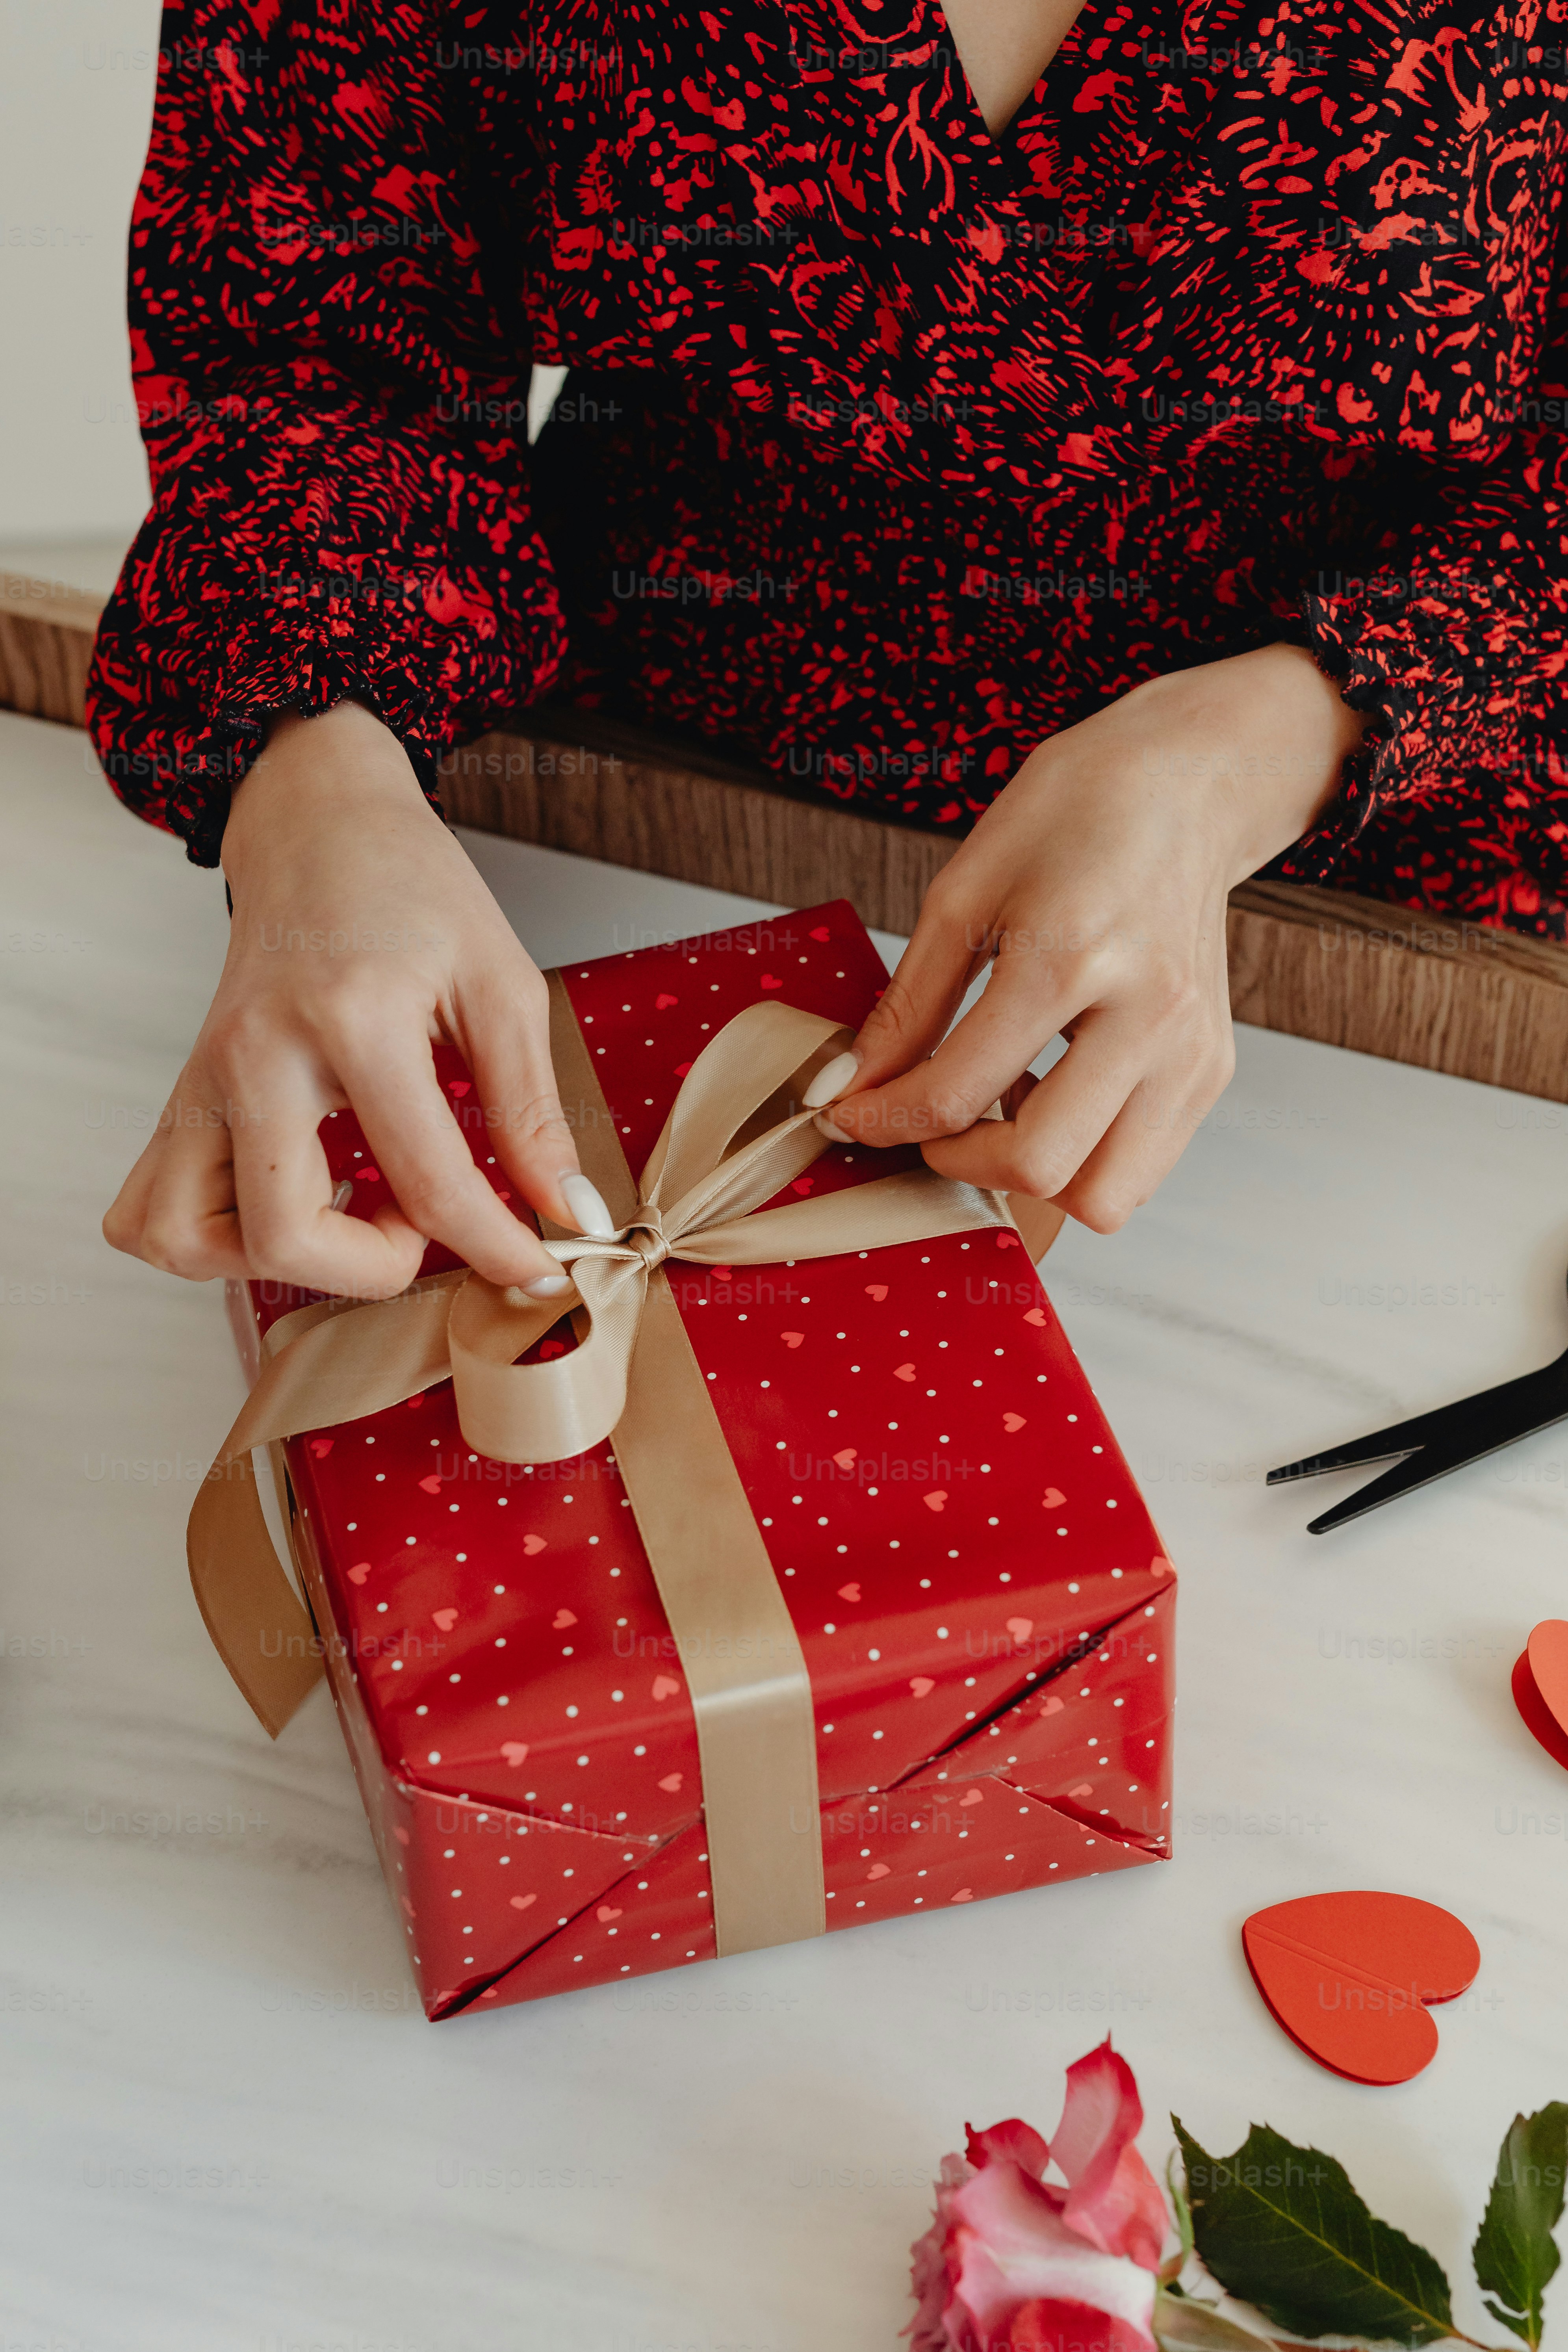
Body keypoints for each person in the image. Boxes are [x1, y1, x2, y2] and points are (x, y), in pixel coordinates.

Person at [93, 0, 1568, 1300]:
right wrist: (318, 774)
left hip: (1407, 960)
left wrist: (1267, 744)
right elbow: (306, 317)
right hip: (615, 856)